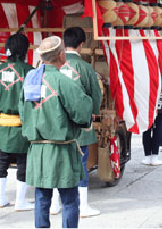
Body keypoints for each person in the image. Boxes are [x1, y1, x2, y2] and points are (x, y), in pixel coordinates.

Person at [19, 36, 93, 228]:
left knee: (42, 197)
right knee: (69, 199)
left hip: (37, 149)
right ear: (61, 55)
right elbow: (82, 112)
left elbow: (23, 112)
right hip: (62, 150)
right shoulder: (63, 81)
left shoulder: (30, 81)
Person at [58, 27, 102, 218]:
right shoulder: (84, 67)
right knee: (81, 163)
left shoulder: (53, 65)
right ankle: (83, 206)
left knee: (57, 163)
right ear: (82, 45)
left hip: (56, 124)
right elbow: (95, 94)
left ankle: (54, 204)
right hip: (80, 126)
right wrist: (93, 112)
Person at [0, 33, 34, 211]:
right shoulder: (28, 70)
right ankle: (20, 201)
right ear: (23, 50)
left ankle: (1, 198)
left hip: (3, 123)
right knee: (23, 160)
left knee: (3, 159)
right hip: (22, 124)